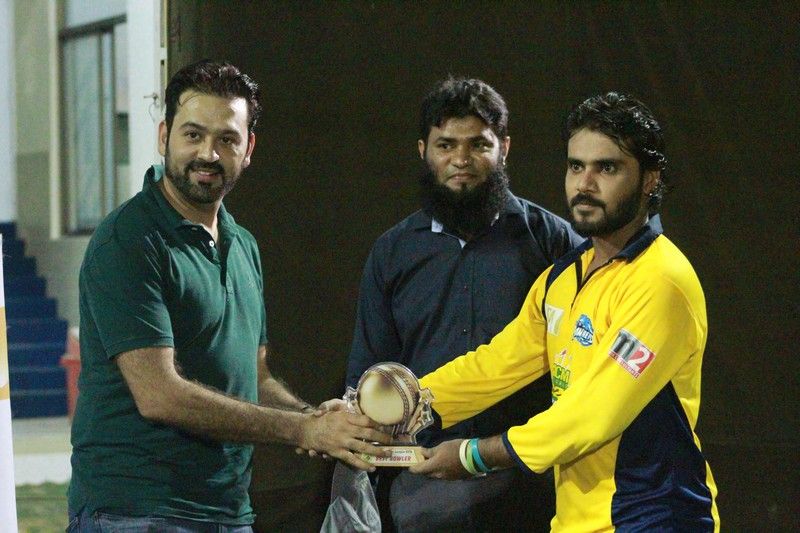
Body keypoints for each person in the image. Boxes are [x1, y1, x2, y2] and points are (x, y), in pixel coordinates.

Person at [67, 60, 390, 532]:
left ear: (248, 148)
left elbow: (253, 377)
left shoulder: (242, 245)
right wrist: (303, 429)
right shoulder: (130, 240)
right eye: (193, 135)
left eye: (226, 139)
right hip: (136, 511)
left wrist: (317, 418)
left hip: (226, 511)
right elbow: (159, 395)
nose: (208, 153)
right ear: (164, 136)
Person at [410, 92, 721, 531]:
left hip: (653, 520)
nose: (584, 185)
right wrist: (405, 406)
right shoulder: (563, 277)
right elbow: (496, 365)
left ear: (649, 179)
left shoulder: (660, 282)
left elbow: (591, 415)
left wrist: (475, 455)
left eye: (606, 168)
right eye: (576, 166)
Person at [345, 77, 580, 532]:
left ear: (504, 148)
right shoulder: (392, 252)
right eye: (446, 145)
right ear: (423, 151)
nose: (461, 159)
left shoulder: (553, 242)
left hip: (528, 481)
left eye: (479, 144)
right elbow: (370, 375)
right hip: (423, 484)